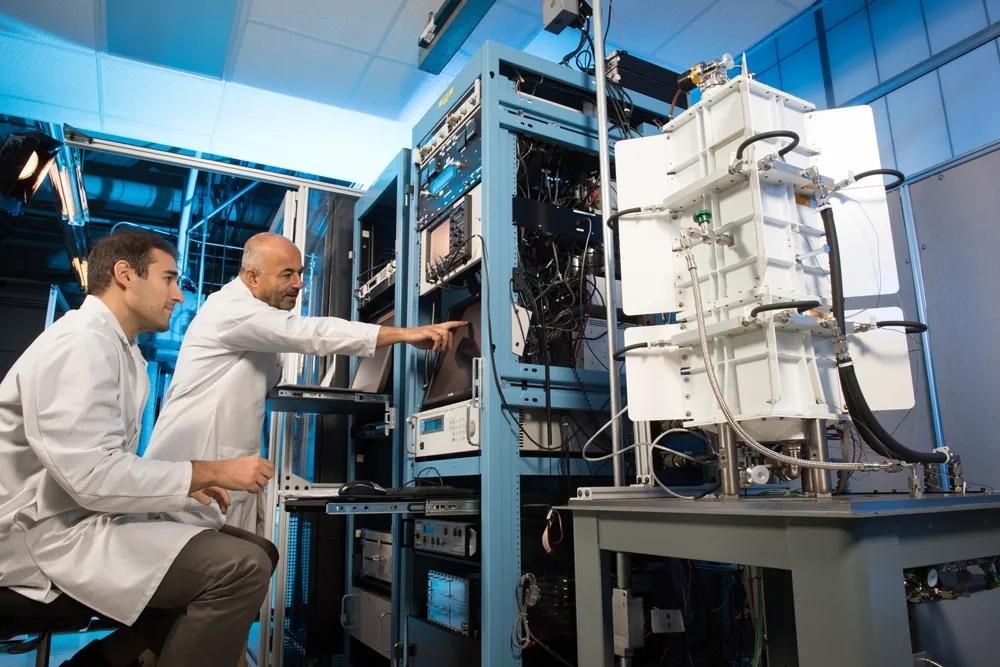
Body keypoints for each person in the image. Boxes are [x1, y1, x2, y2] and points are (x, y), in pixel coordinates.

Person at [0, 230, 278, 667]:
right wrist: (206, 473)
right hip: (43, 537)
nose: (179, 296)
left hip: (82, 519)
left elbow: (101, 465)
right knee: (240, 567)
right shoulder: (81, 343)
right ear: (125, 275)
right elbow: (92, 476)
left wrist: (181, 489)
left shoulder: (120, 349)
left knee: (261, 549)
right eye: (169, 279)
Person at [144, 232, 466, 534]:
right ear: (253, 277)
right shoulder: (232, 310)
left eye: (299, 273)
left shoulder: (257, 318)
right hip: (197, 475)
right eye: (286, 274)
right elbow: (311, 333)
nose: (298, 284)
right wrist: (405, 334)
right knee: (204, 578)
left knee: (240, 570)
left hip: (229, 473)